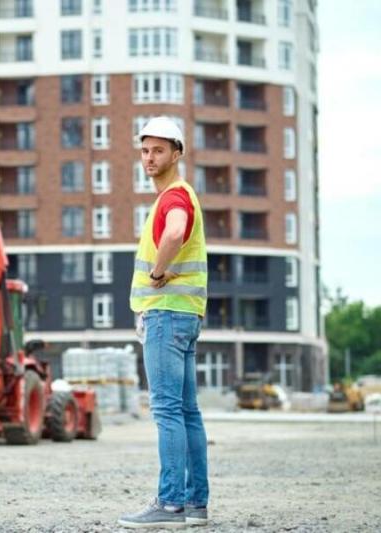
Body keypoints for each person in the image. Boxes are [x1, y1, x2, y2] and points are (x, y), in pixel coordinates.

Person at [119, 116, 210, 529]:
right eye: (145, 150)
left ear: (178, 153)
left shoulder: (173, 198)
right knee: (188, 412)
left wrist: (157, 274)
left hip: (166, 315)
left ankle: (170, 504)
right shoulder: (182, 194)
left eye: (159, 150)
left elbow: (173, 234)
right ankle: (196, 505)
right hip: (186, 316)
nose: (150, 157)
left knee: (168, 411)